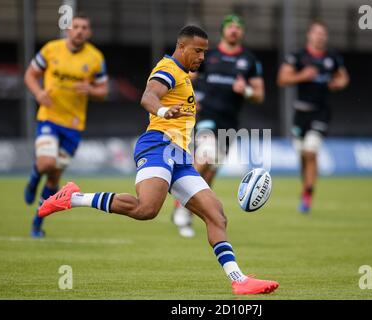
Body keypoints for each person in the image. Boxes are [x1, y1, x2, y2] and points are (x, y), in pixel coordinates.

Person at [38, 25, 279, 295]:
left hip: (180, 156)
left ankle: (239, 280)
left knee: (217, 215)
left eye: (205, 52)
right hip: (158, 146)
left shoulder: (186, 77)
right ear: (182, 47)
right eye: (198, 51)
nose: (202, 57)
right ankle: (73, 198)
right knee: (146, 209)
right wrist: (164, 111)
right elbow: (148, 96)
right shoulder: (168, 69)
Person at [172, 14, 265, 238]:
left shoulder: (249, 60)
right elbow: (184, 76)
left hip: (230, 123)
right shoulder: (208, 56)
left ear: (242, 32)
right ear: (223, 30)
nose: (234, 30)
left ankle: (188, 212)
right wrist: (190, 100)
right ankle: (178, 206)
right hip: (206, 117)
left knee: (211, 171)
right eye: (230, 26)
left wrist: (247, 91)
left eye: (238, 27)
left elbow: (260, 95)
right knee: (206, 154)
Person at [23, 13, 109, 237]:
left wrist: (91, 90)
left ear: (88, 33)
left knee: (54, 178)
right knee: (46, 164)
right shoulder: (51, 50)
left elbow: (104, 91)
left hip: (73, 125)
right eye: (76, 26)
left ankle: (37, 223)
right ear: (68, 29)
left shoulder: (95, 58)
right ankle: (33, 180)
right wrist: (39, 93)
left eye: (84, 27)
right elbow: (30, 75)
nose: (80, 30)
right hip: (49, 118)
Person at [277, 20, 349, 213]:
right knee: (303, 155)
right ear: (309, 35)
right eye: (317, 33)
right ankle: (306, 187)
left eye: (323, 33)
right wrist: (303, 76)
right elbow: (282, 79)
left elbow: (343, 77)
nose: (320, 36)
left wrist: (339, 83)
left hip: (321, 112)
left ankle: (308, 192)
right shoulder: (298, 56)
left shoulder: (332, 58)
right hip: (301, 113)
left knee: (311, 151)